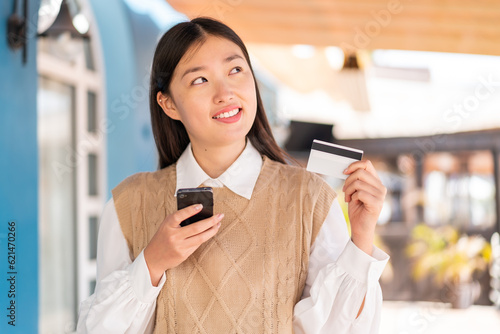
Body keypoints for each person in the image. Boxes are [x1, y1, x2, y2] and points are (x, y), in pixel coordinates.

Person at [77, 17, 389, 334]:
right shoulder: (130, 203)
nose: (225, 93)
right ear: (168, 103)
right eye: (200, 80)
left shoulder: (309, 197)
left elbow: (340, 328)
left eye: (235, 70)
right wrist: (152, 263)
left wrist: (362, 237)